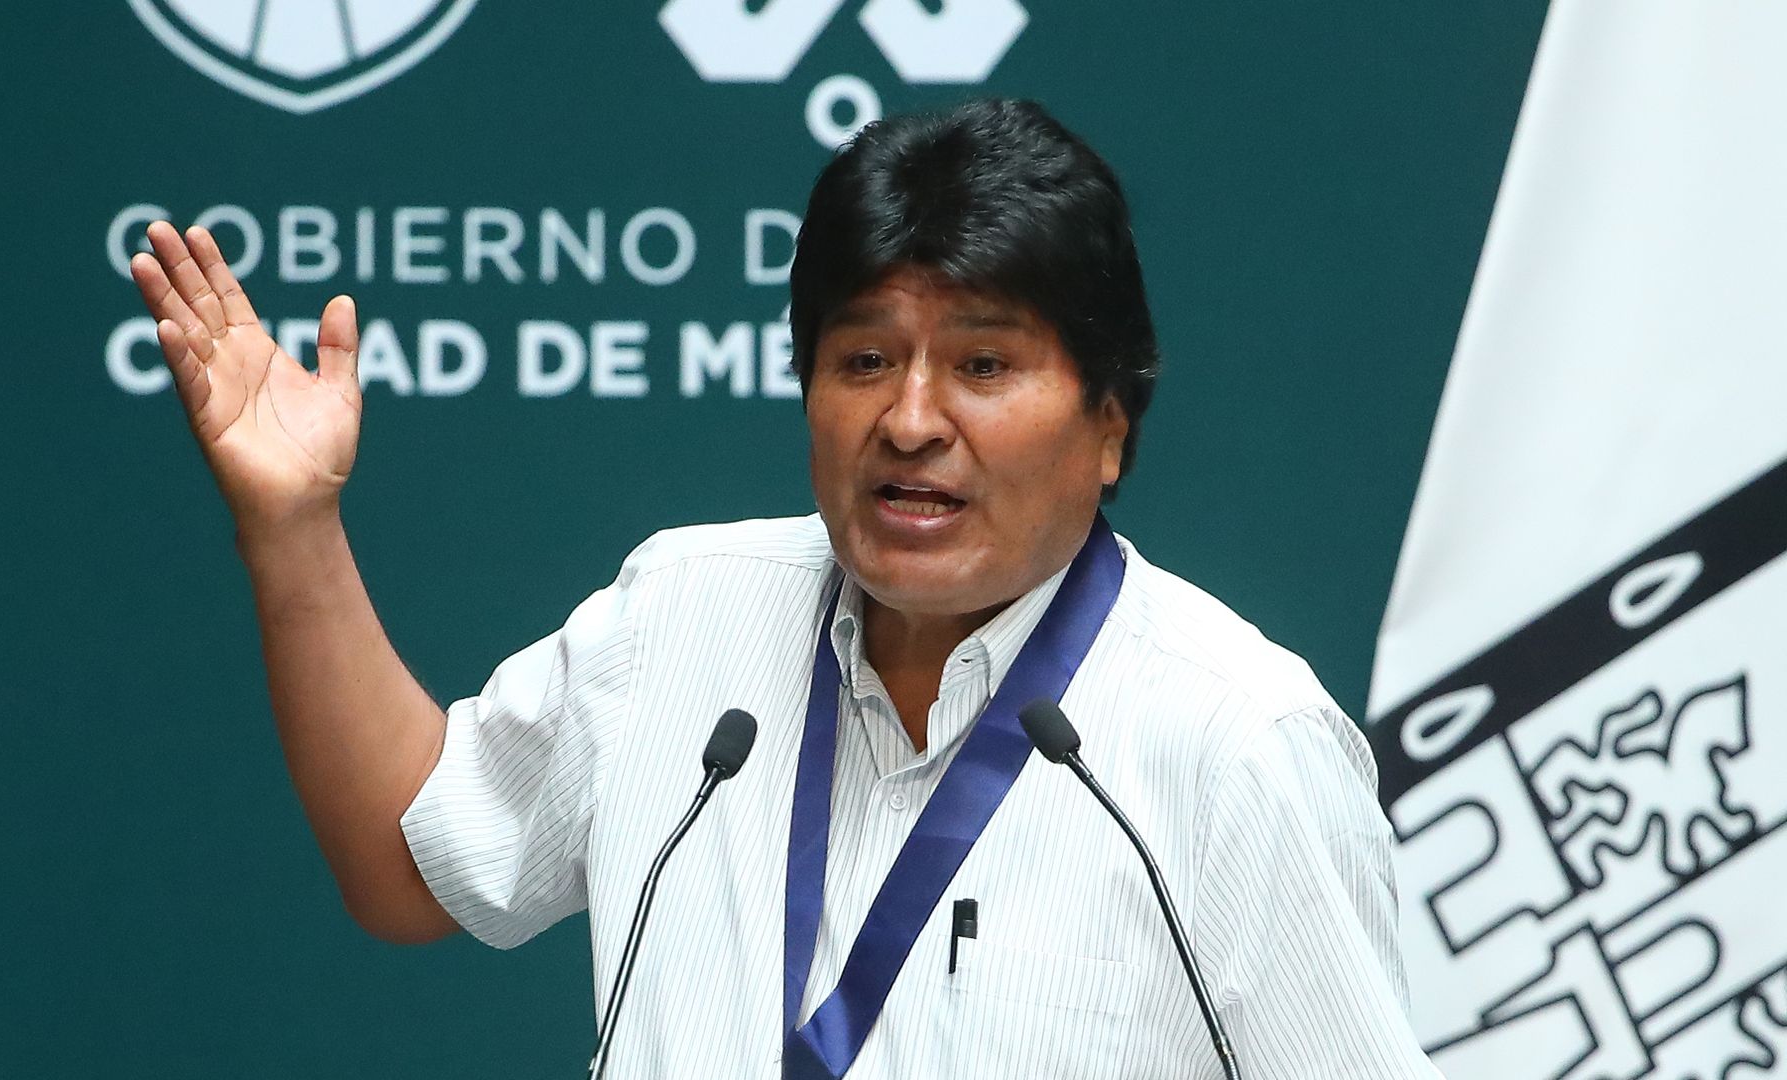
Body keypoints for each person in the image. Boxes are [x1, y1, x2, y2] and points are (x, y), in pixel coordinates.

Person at [130, 98, 1437, 1077]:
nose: (911, 420)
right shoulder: (687, 616)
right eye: (864, 359)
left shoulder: (1232, 744)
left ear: (1110, 422)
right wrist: (293, 527)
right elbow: (406, 867)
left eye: (984, 367)